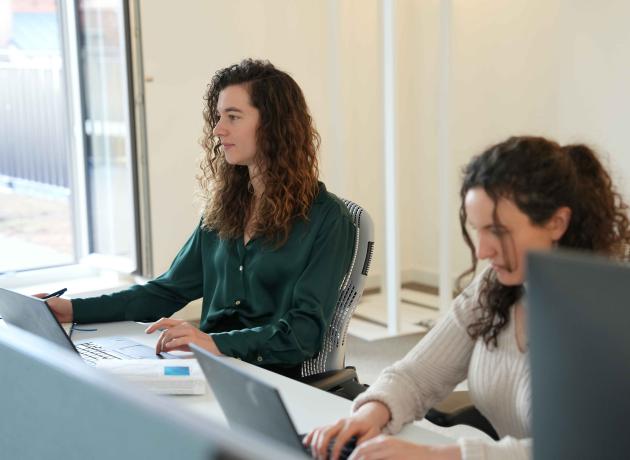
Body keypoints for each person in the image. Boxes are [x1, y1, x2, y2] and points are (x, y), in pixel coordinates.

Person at [305, 136, 630, 459]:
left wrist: (439, 456)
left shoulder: (607, 313)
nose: (482, 251)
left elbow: (580, 450)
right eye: (478, 230)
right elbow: (417, 376)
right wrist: (368, 415)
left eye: (499, 232)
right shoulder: (496, 285)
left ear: (558, 222)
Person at [43, 59, 355, 378]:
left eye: (233, 117)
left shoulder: (328, 219)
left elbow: (304, 335)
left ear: (274, 125)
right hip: (207, 365)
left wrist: (212, 343)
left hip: (268, 378)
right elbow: (166, 291)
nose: (219, 129)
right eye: (219, 117)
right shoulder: (225, 208)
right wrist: (71, 309)